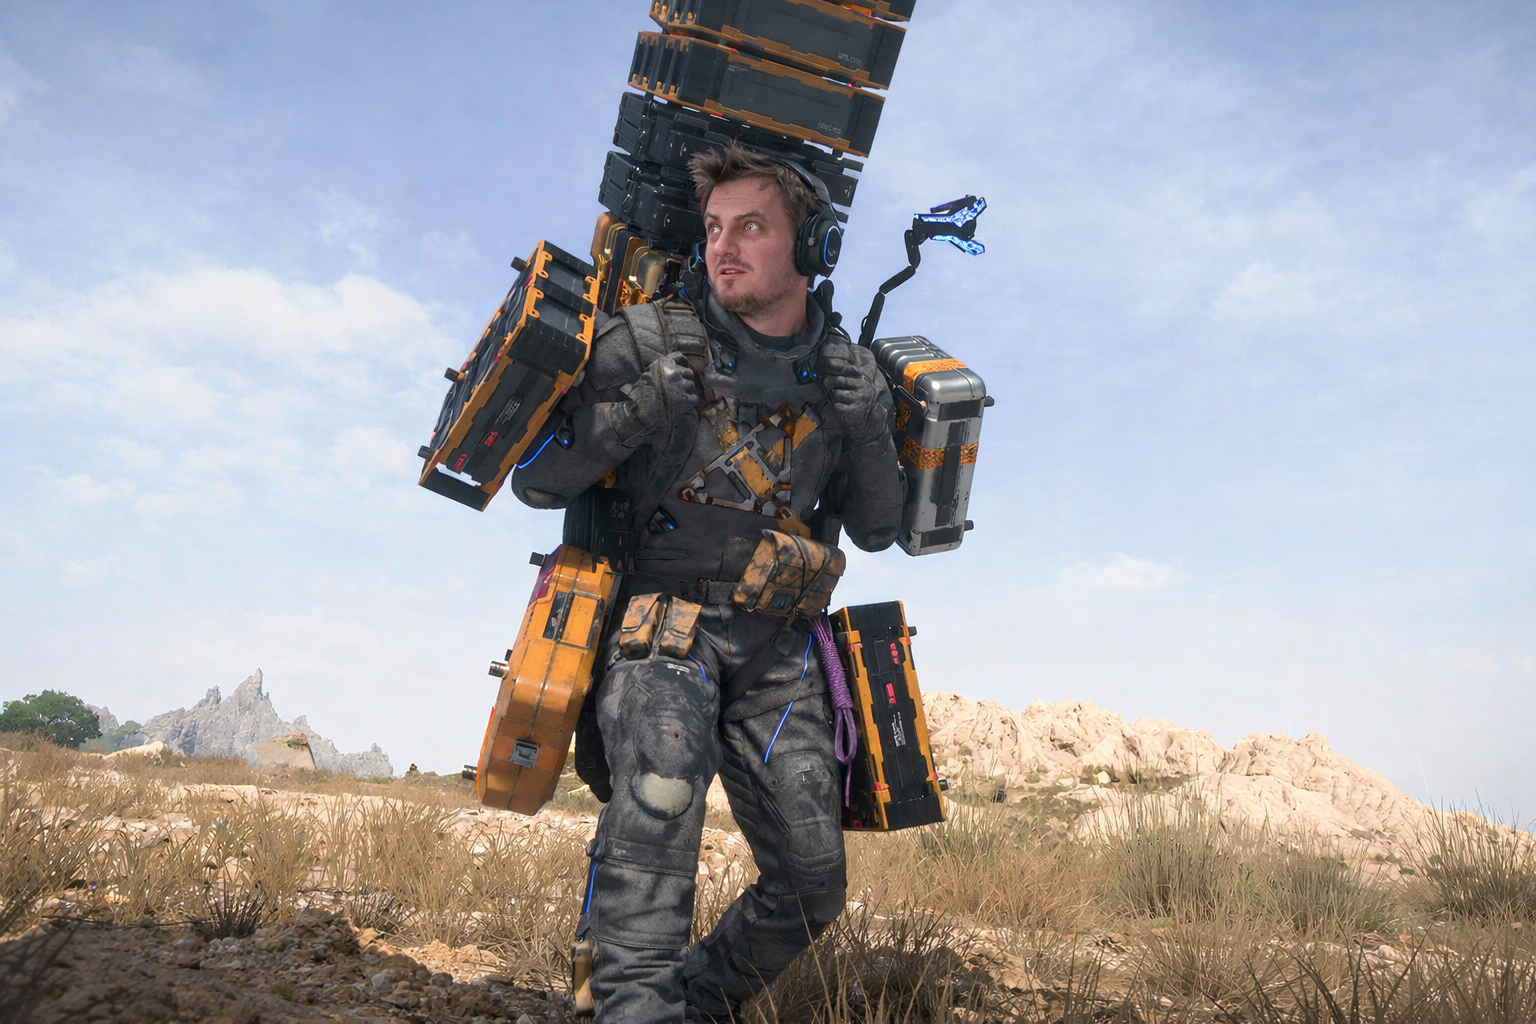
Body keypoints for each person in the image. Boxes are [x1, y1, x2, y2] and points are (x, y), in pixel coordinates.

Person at [510, 141, 903, 1023]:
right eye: (716, 227)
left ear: (812, 248)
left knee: (813, 879)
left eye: (751, 227)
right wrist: (636, 410)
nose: (724, 246)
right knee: (662, 794)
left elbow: (879, 528)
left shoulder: (847, 374)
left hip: (778, 654)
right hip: (664, 630)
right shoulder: (649, 340)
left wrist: (872, 426)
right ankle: (631, 1009)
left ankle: (687, 1004)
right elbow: (538, 481)